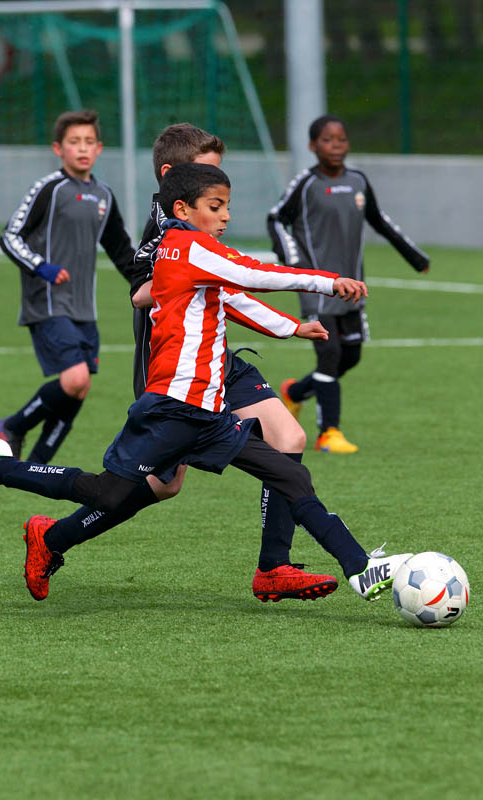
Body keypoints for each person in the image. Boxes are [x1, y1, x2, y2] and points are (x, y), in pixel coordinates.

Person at [0, 162, 412, 606]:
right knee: (108, 494)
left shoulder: (188, 252)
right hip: (172, 410)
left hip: (209, 415)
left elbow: (232, 297)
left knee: (291, 474)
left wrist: (292, 327)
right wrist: (330, 282)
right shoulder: (188, 246)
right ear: (182, 208)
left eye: (227, 206)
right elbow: (253, 273)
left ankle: (359, 568)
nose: (226, 216)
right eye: (216, 206)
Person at [131, 123, 333, 602]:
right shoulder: (163, 231)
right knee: (163, 484)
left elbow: (226, 288)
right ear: (172, 179)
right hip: (175, 372)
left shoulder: (197, 228)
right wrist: (191, 272)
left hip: (220, 361)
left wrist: (287, 325)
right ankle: (58, 531)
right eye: (207, 178)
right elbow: (141, 294)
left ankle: (274, 567)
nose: (218, 192)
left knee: (289, 437)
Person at [268, 114, 430, 453]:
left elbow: (380, 220)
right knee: (330, 353)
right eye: (328, 140)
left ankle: (295, 393)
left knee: (351, 355)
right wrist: (294, 263)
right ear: (313, 146)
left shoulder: (358, 181)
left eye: (341, 139)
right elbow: (276, 218)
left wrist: (415, 258)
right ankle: (329, 433)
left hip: (351, 286)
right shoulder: (306, 184)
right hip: (316, 286)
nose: (336, 146)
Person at [0, 109, 141, 464]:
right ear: (58, 148)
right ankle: (13, 426)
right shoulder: (49, 188)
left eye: (89, 142)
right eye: (74, 142)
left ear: (100, 148)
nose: (83, 148)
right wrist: (40, 267)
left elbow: (122, 252)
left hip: (83, 307)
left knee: (79, 388)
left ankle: (36, 467)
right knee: (75, 379)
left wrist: (151, 286)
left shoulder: (104, 195)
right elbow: (10, 236)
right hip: (46, 301)